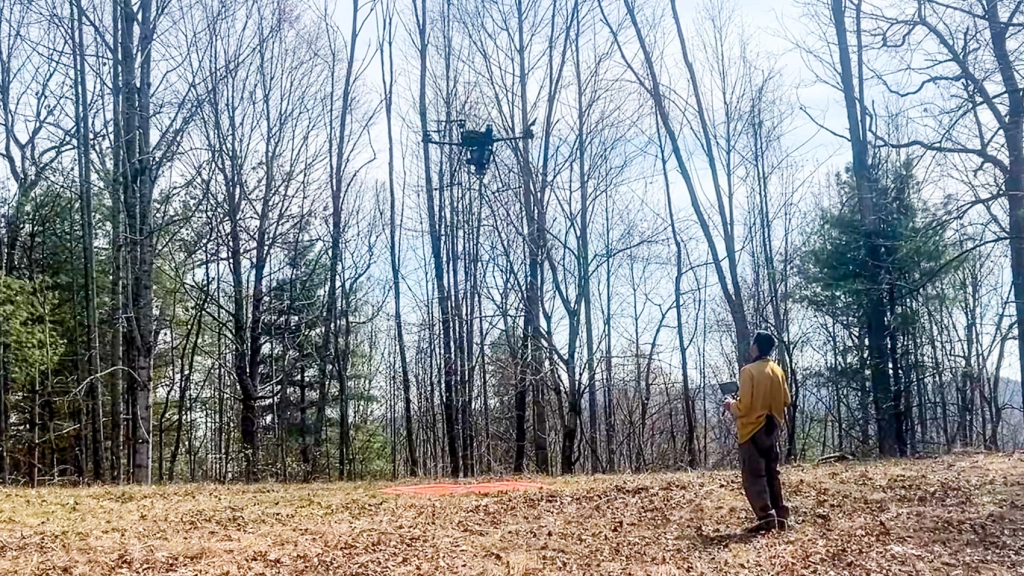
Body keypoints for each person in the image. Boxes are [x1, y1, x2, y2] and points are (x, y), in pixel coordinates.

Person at [724, 331, 791, 533]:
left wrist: (730, 405)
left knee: (754, 476)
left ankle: (765, 518)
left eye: (752, 343)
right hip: (773, 428)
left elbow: (744, 407)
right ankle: (780, 515)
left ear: (756, 346)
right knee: (772, 473)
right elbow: (786, 400)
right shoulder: (778, 370)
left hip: (752, 430)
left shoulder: (748, 371)